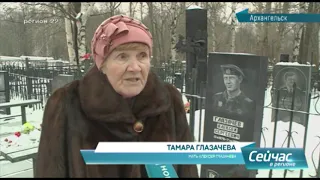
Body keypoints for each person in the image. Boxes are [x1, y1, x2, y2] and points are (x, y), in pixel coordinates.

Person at [35, 15, 198, 178]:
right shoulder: (67, 103)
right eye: (122, 56)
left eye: (142, 55)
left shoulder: (169, 100)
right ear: (102, 64)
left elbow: (186, 169)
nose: (135, 67)